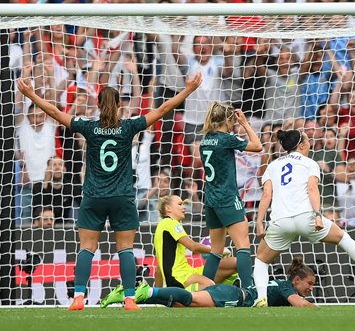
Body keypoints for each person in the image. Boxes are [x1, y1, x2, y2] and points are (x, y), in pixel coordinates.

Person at [16, 72, 202, 312]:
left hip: (94, 196)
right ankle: (129, 299)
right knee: (124, 248)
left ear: (98, 104)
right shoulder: (129, 126)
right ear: (118, 105)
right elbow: (164, 108)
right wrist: (188, 90)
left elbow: (54, 112)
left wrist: (30, 94)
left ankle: (79, 297)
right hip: (122, 197)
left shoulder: (89, 127)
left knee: (86, 247)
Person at [253, 129, 355, 307]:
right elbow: (313, 189)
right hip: (305, 217)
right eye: (307, 140)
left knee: (261, 260)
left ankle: (261, 298)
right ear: (302, 145)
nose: (309, 143)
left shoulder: (272, 165)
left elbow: (266, 194)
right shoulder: (309, 163)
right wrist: (318, 215)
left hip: (280, 220)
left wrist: (259, 222)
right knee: (344, 238)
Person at [100, 194, 237, 307]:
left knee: (232, 265)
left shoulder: (163, 227)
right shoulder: (170, 224)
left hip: (185, 274)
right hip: (180, 276)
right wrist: (217, 250)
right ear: (168, 208)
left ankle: (143, 296)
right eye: (179, 204)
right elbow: (193, 247)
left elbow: (159, 269)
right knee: (210, 289)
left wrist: (159, 296)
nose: (183, 207)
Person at [199, 102, 262, 289]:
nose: (234, 124)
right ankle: (248, 290)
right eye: (233, 121)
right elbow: (257, 146)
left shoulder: (205, 140)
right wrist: (245, 124)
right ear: (227, 120)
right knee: (243, 245)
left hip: (210, 199)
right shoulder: (225, 139)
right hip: (227, 197)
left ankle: (205, 289)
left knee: (216, 250)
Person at [132, 257, 316, 307]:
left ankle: (134, 296)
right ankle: (148, 292)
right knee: (189, 299)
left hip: (232, 294)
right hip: (234, 296)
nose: (310, 288)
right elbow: (299, 303)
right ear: (297, 280)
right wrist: (316, 308)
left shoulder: (282, 286)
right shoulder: (285, 286)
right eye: (309, 283)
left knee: (179, 304)